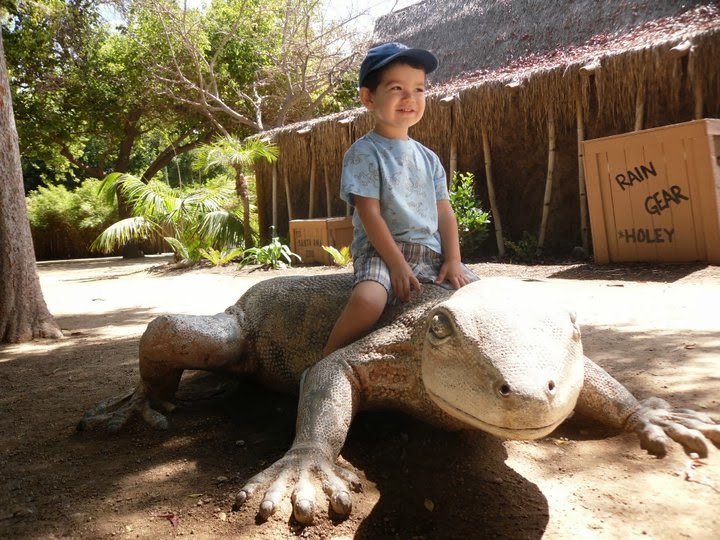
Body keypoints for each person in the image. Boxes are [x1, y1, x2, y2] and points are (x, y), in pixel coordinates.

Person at [322, 42, 478, 356]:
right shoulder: (364, 153)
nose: (410, 98)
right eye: (396, 87)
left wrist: (453, 259)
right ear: (368, 97)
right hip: (381, 251)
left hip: (430, 253)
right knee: (368, 301)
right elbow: (370, 215)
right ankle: (326, 360)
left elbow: (445, 214)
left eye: (419, 89)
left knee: (482, 297)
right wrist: (396, 265)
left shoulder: (429, 158)